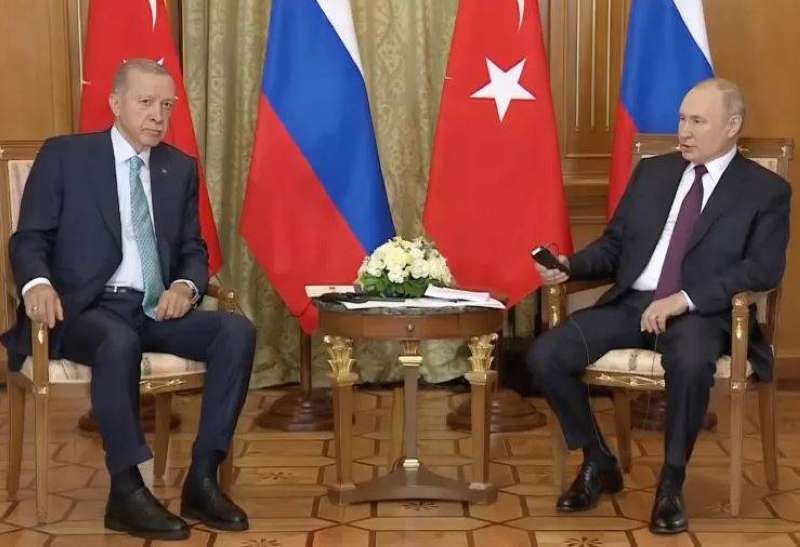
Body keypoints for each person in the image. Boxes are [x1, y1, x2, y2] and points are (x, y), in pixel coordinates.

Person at [1, 59, 256, 540]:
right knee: (117, 341)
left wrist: (186, 287)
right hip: (83, 309)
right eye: (146, 103)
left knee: (235, 331)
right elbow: (29, 238)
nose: (158, 116)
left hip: (154, 307)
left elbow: (193, 250)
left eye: (167, 105)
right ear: (115, 103)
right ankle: (126, 490)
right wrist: (37, 285)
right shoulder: (66, 156)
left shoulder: (178, 168)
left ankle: (203, 478)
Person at [526, 78, 790, 534]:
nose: (684, 131)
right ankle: (597, 459)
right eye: (682, 119)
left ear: (732, 126)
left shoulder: (764, 190)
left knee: (689, 362)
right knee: (546, 355)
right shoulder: (654, 173)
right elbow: (614, 247)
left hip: (701, 313)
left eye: (698, 121)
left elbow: (763, 269)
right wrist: (570, 266)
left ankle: (671, 483)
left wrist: (684, 299)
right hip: (633, 304)